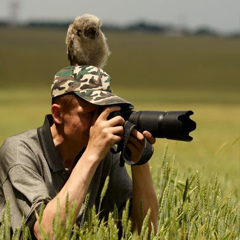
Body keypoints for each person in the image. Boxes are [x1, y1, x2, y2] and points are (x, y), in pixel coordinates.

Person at [0, 65, 158, 239]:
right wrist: (92, 154)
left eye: (105, 113)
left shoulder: (106, 155)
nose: (99, 123)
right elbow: (47, 233)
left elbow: (145, 232)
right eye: (90, 114)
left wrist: (139, 161)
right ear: (58, 114)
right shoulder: (19, 151)